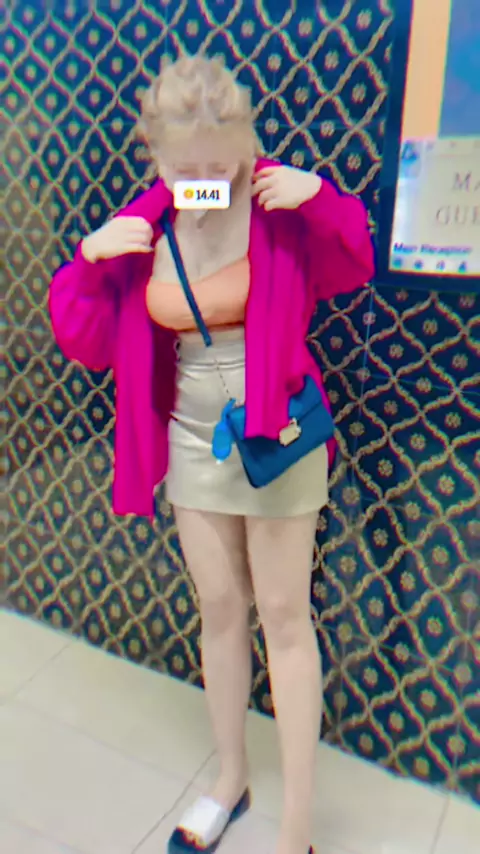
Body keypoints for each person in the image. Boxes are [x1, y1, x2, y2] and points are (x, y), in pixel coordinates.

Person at [49, 55, 374, 854]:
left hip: (277, 434)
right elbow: (83, 337)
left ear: (245, 143)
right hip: (193, 444)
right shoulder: (145, 227)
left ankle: (296, 828)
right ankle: (230, 777)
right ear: (156, 159)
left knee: (285, 620)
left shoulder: (275, 204)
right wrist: (89, 259)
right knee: (220, 611)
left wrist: (322, 199)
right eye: (186, 170)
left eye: (222, 164)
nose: (208, 182)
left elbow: (355, 259)